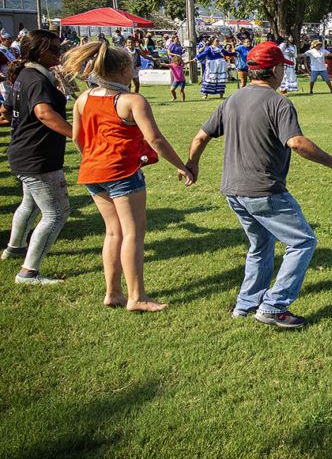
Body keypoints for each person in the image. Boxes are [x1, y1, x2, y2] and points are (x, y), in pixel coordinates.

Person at [185, 42, 332, 328]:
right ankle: (274, 306)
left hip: (232, 190)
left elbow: (200, 138)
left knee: (261, 244)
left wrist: (192, 164)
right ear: (276, 70)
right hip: (263, 190)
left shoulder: (232, 99)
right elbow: (296, 143)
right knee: (303, 241)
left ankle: (246, 304)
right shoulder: (279, 102)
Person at [65, 41, 195, 311]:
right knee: (133, 233)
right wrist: (181, 165)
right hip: (122, 172)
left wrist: (94, 156)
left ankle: (113, 292)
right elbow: (155, 139)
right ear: (123, 71)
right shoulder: (132, 100)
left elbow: (78, 139)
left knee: (113, 232)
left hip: (93, 172)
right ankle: (137, 297)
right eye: (132, 67)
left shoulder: (83, 99)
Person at [0, 30, 72, 285]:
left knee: (29, 204)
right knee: (57, 213)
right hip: (37, 157)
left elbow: (5, 112)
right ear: (40, 52)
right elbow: (43, 113)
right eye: (54, 49)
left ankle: (15, 247)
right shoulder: (36, 80)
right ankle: (28, 272)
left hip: (24, 152)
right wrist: (77, 134)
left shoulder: (24, 76)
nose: (59, 53)